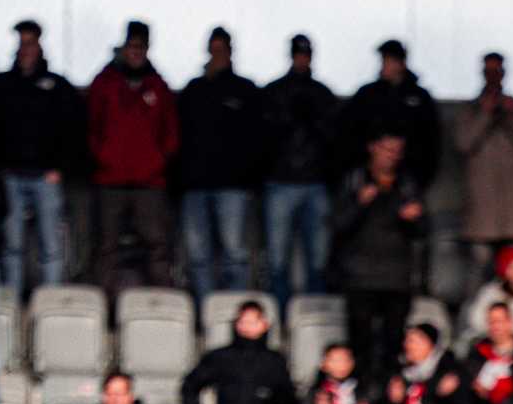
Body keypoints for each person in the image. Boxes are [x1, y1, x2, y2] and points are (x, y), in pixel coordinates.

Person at [0, 19, 81, 295]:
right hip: (11, 176)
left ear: (39, 45)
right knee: (11, 244)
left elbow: (73, 129)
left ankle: (51, 299)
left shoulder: (57, 86)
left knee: (51, 245)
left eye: (31, 42)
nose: (26, 48)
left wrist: (60, 168)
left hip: (46, 177)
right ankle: (13, 301)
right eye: (22, 42)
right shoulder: (3, 85)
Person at [85, 21, 179, 299]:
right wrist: (103, 158)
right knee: (106, 246)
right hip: (110, 179)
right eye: (132, 46)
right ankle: (104, 307)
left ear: (147, 49)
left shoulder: (158, 86)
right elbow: (90, 127)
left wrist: (157, 162)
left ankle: (162, 304)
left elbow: (171, 133)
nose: (136, 51)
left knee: (156, 245)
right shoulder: (105, 83)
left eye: (141, 46)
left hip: (149, 182)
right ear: (124, 47)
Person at [176, 27, 264, 305]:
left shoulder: (245, 90)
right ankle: (207, 312)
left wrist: (248, 177)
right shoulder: (194, 90)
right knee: (198, 256)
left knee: (235, 254)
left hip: (233, 187)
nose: (217, 55)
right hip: (196, 186)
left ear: (230, 51)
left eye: (222, 49)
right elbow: (179, 138)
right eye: (213, 50)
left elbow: (257, 139)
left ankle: (235, 311)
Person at [331, 133, 425, 390]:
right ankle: (360, 396)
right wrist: (359, 204)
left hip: (397, 277)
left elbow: (423, 231)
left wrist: (414, 218)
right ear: (372, 147)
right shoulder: (354, 180)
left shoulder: (406, 184)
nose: (392, 156)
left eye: (397, 150)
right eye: (387, 149)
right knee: (360, 344)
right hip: (360, 276)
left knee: (394, 345)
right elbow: (338, 226)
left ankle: (391, 399)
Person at [260, 35, 339, 309]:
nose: (302, 58)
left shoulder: (322, 95)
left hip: (315, 183)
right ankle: (279, 317)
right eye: (298, 53)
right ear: (291, 55)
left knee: (318, 261)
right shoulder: (274, 93)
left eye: (306, 54)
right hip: (280, 182)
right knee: (277, 261)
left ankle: (312, 316)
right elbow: (262, 140)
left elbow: (334, 141)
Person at [454, 54, 513, 278]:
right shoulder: (469, 110)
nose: (493, 78)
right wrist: (485, 113)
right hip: (482, 210)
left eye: (497, 72)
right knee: (479, 273)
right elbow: (463, 143)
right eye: (488, 72)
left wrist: (512, 116)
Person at [180, 298, 294, 404]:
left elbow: (287, 399)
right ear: (236, 324)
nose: (247, 326)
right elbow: (188, 389)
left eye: (253, 321)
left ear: (265, 324)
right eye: (243, 321)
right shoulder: (220, 357)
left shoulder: (275, 361)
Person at [336, 36, 440, 190]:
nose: (385, 65)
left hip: (407, 176)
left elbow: (430, 140)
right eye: (384, 60)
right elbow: (348, 130)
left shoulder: (420, 97)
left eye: (390, 60)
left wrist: (421, 176)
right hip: (369, 175)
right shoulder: (368, 94)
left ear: (401, 63)